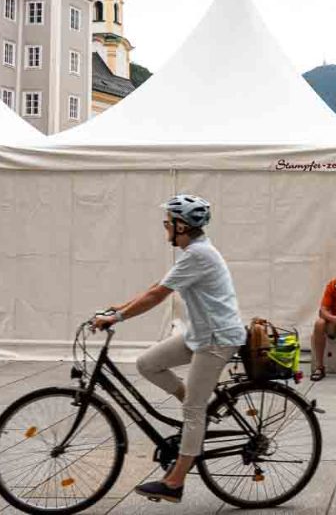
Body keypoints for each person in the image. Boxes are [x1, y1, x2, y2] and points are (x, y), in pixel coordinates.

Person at [92, 194, 247, 504]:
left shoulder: (199, 255)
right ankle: (195, 403)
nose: (165, 227)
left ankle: (174, 483)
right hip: (199, 335)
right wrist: (115, 310)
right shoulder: (193, 252)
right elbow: (155, 287)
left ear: (182, 226)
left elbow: (157, 297)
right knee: (148, 363)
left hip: (217, 339)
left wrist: (117, 317)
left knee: (192, 410)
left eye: (168, 223)